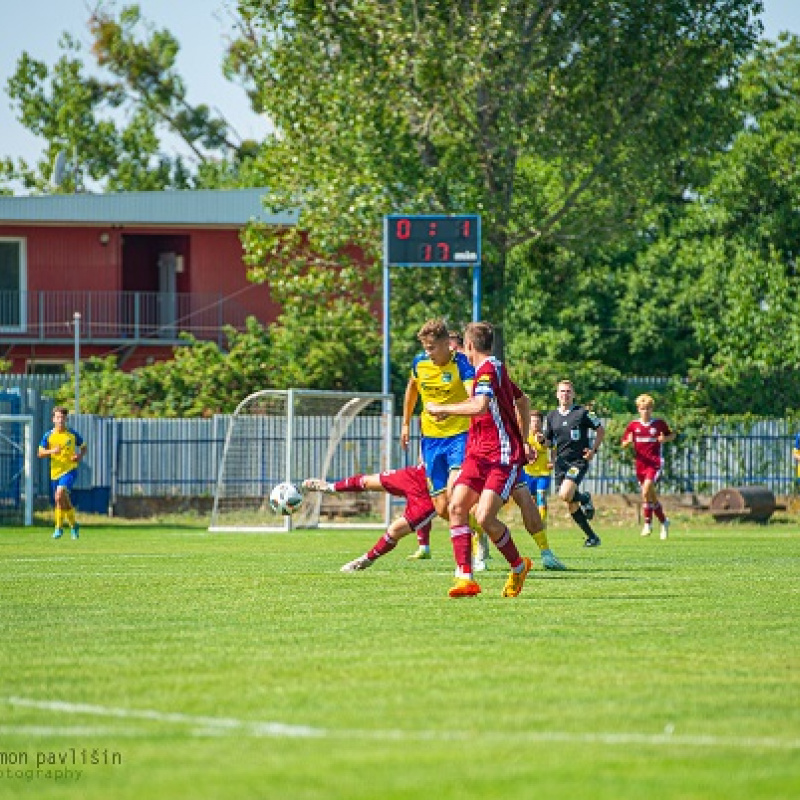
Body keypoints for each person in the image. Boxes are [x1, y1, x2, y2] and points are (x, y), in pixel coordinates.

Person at [426, 321, 534, 598]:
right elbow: (523, 401)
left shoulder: (489, 370)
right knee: (457, 506)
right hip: (477, 454)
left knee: (485, 517)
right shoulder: (490, 371)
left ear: (470, 346)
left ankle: (519, 565)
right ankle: (465, 578)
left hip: (501, 456)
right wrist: (524, 437)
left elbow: (479, 406)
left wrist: (443, 409)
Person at [401, 319, 475, 559]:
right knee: (442, 508)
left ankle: (468, 561)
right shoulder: (420, 363)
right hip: (431, 440)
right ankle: (479, 531)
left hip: (459, 437)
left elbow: (475, 399)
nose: (428, 353)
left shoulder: (462, 364)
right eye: (425, 348)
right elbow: (412, 388)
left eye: (432, 347)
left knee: (456, 496)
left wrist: (449, 409)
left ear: (446, 344)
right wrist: (405, 424)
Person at [301, 466, 435, 571]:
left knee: (394, 530)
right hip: (416, 475)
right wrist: (406, 429)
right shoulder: (431, 435)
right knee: (366, 481)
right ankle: (330, 487)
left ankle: (365, 560)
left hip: (434, 492)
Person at [542, 380, 605, 547]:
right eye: (562, 391)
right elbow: (549, 442)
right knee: (570, 502)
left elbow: (600, 430)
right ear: (557, 395)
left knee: (565, 493)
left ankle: (584, 498)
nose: (565, 394)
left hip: (577, 461)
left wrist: (593, 450)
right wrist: (542, 441)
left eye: (568, 391)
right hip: (560, 463)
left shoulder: (582, 413)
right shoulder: (551, 416)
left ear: (573, 394)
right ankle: (592, 537)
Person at [621, 394, 676, 539]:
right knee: (650, 495)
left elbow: (672, 435)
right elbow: (624, 443)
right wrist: (628, 442)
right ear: (638, 409)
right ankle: (664, 521)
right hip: (640, 464)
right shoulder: (633, 426)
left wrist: (665, 438)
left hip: (655, 462)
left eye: (648, 408)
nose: (645, 411)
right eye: (642, 408)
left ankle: (648, 524)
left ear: (652, 409)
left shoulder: (658, 424)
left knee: (646, 491)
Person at [37, 406, 86, 540]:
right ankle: (74, 525)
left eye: (63, 417)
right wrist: (52, 451)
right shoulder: (48, 435)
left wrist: (79, 456)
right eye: (58, 417)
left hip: (70, 470)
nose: (60, 420)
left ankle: (58, 528)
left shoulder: (72, 434)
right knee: (61, 501)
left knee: (59, 494)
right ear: (53, 419)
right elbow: (40, 453)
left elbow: (84, 447)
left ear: (66, 419)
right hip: (55, 472)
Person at [521, 410, 552, 529]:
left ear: (541, 423)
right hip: (528, 473)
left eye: (537, 421)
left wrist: (543, 441)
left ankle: (542, 523)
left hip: (543, 473)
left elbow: (551, 445)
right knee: (532, 501)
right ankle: (535, 523)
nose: (535, 424)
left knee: (542, 496)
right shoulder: (524, 436)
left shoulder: (544, 435)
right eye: (532, 421)